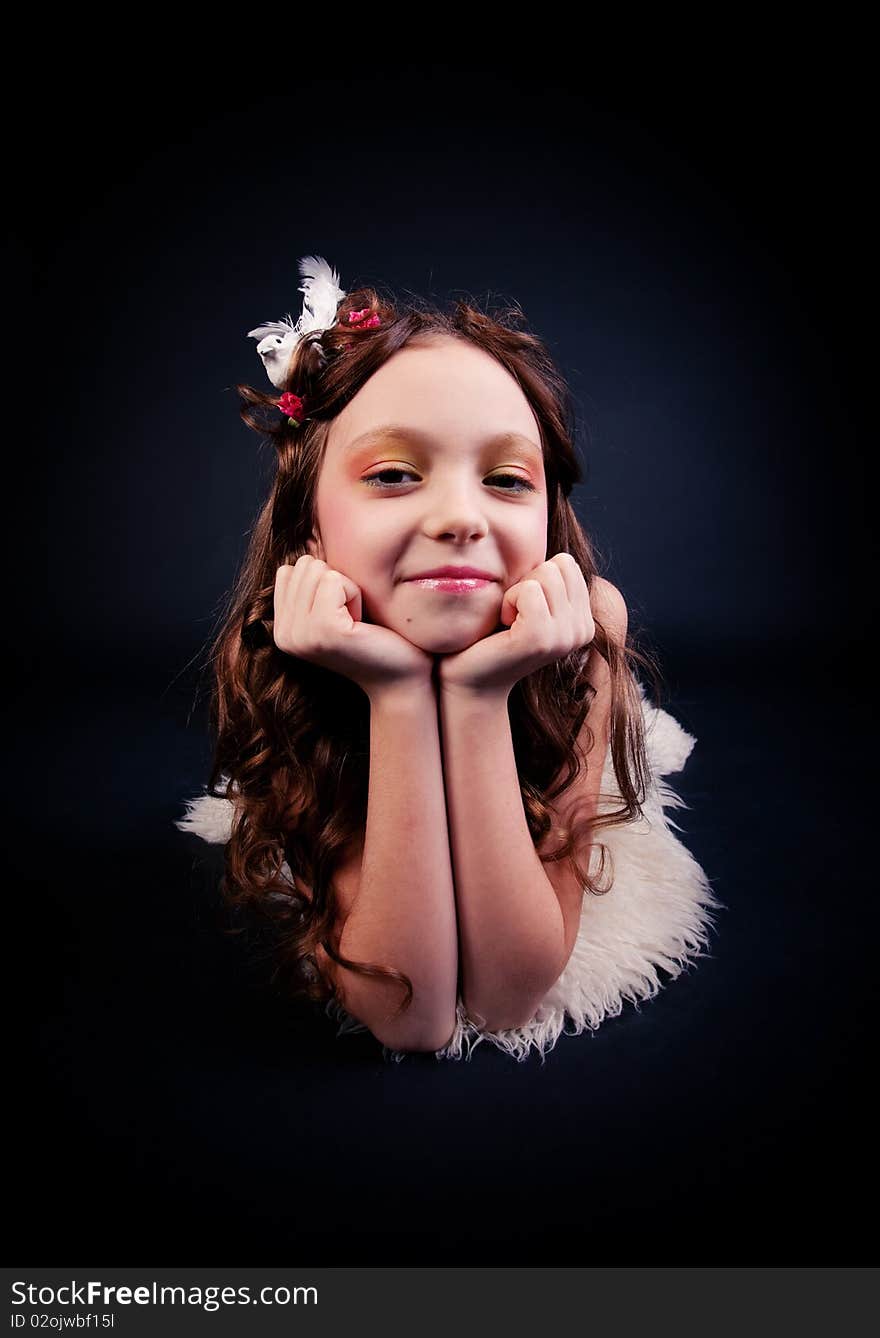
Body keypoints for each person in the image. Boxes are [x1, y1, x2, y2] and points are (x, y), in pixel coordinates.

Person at [176, 255, 720, 1064]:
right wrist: (394, 693)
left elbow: (506, 996)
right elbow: (412, 1017)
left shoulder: (585, 635)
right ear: (310, 529)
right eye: (394, 474)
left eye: (505, 479)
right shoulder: (285, 650)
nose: (462, 517)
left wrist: (476, 695)